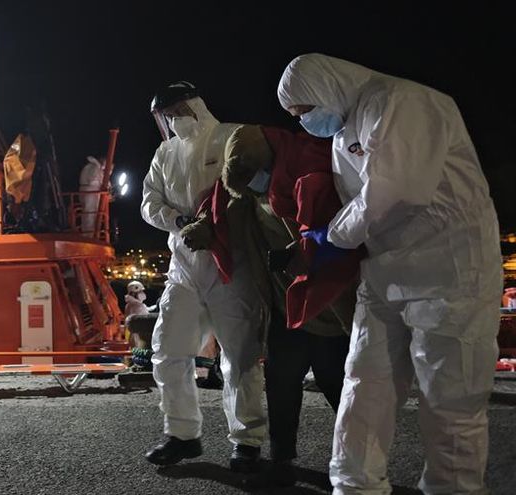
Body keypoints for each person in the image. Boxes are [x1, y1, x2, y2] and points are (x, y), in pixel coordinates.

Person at [278, 53, 503, 494]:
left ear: (326, 86)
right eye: (297, 117)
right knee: (365, 382)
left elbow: (396, 189)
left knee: (449, 398)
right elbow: (365, 201)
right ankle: (354, 484)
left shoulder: (405, 101)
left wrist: (332, 237)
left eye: (304, 110)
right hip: (384, 270)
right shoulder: (345, 133)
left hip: (451, 270)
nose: (305, 122)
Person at [185, 123, 355, 486]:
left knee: (337, 385)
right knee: (281, 384)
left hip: (327, 307)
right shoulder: (245, 190)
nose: (255, 184)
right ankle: (282, 460)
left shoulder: (312, 175)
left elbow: (344, 227)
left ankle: (360, 461)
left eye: (255, 175)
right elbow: (217, 205)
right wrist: (202, 226)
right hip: (286, 307)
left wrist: (307, 251)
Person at [141, 81, 266, 471]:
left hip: (232, 265)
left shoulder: (232, 136)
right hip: (184, 267)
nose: (172, 119)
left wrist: (218, 223)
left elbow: (256, 191)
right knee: (167, 349)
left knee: (240, 356)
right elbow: (149, 203)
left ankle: (247, 442)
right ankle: (181, 434)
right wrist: (179, 222)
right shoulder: (165, 153)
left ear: (195, 104)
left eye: (177, 109)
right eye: (166, 114)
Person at [79, 156, 106, 235]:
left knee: (87, 215)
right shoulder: (95, 167)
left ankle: (87, 234)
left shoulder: (89, 166)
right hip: (91, 194)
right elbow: (93, 181)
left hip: (86, 192)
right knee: (91, 216)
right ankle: (89, 235)